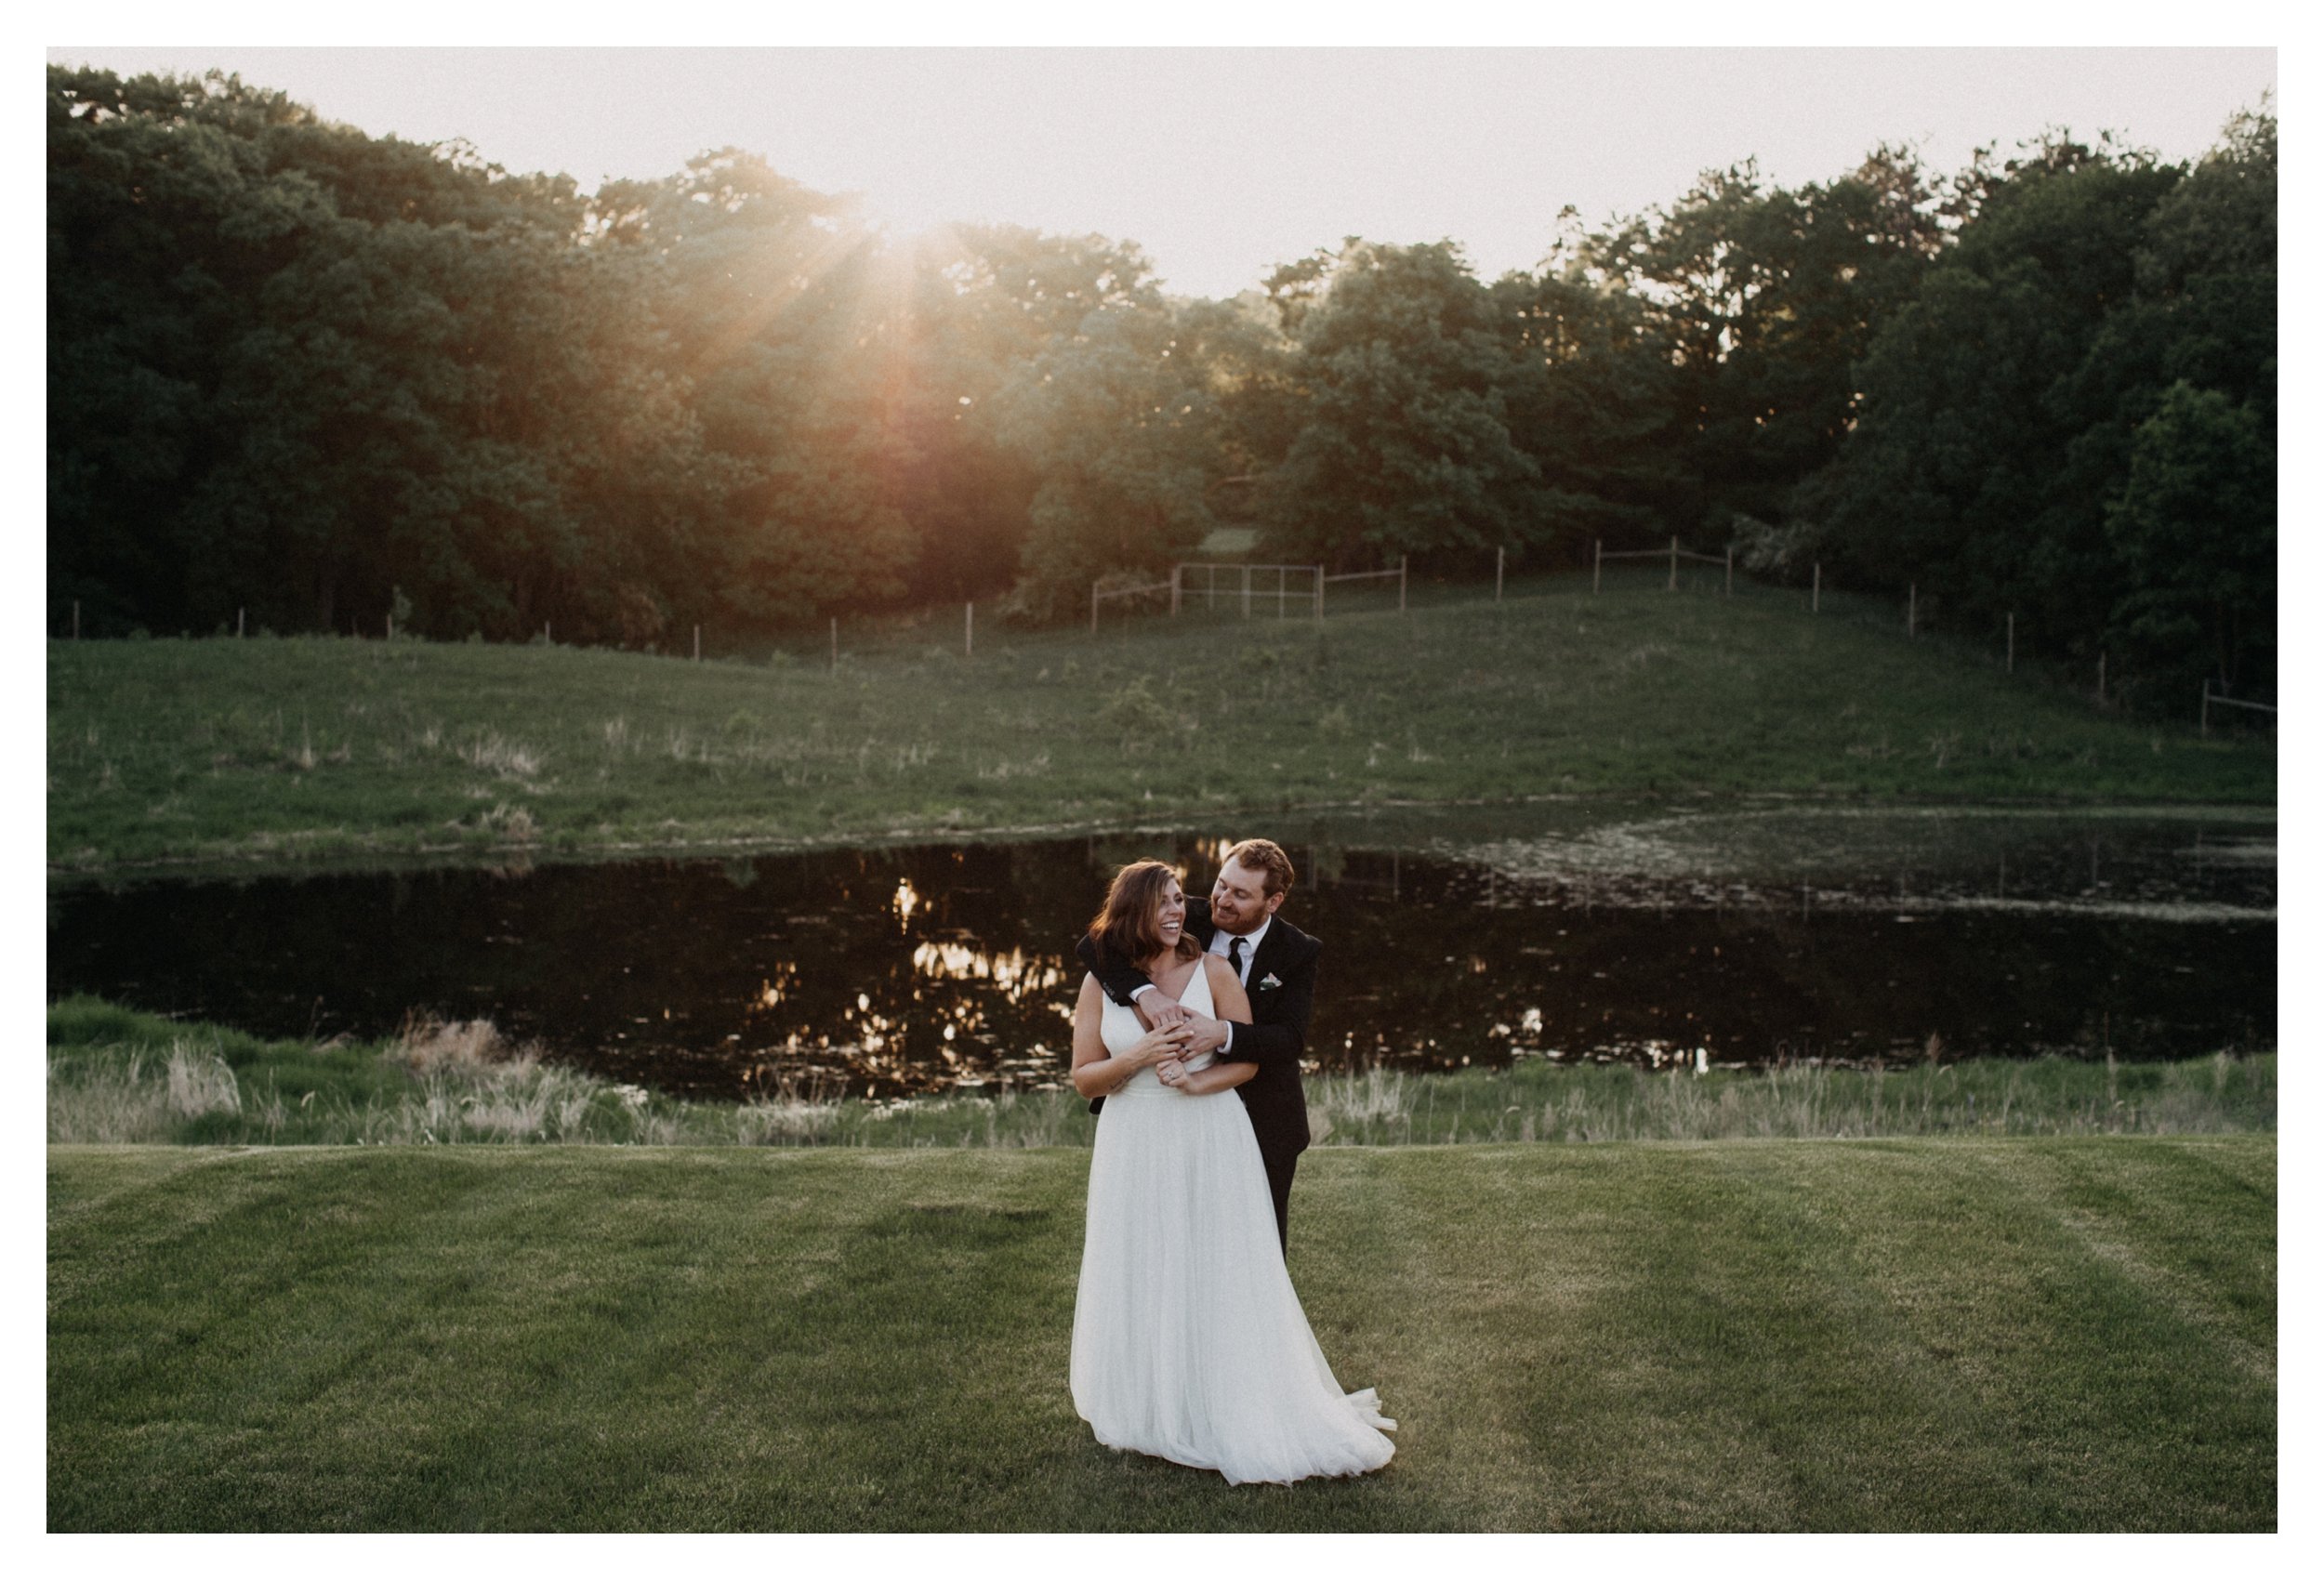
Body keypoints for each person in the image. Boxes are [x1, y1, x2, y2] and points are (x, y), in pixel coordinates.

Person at [1068, 859, 1393, 1486]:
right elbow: (1086, 1059)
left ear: (1270, 902)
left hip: (1224, 1128)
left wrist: (1203, 1060)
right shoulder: (1114, 968)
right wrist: (1137, 1031)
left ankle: (1238, 1394)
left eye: (1237, 894)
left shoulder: (1267, 958)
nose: (1205, 902)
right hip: (1131, 1139)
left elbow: (1276, 1045)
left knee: (1235, 1265)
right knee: (1141, 1260)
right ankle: (1150, 1400)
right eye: (1209, 888)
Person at [1076, 838, 1315, 1256]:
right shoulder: (1183, 916)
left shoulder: (1298, 951)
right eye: (1222, 885)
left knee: (1258, 1245)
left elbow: (1290, 1038)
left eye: (1240, 894)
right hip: (1163, 1113)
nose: (1222, 900)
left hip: (1265, 1112)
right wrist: (1144, 992)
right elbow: (1096, 945)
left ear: (1273, 901)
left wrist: (1222, 1034)